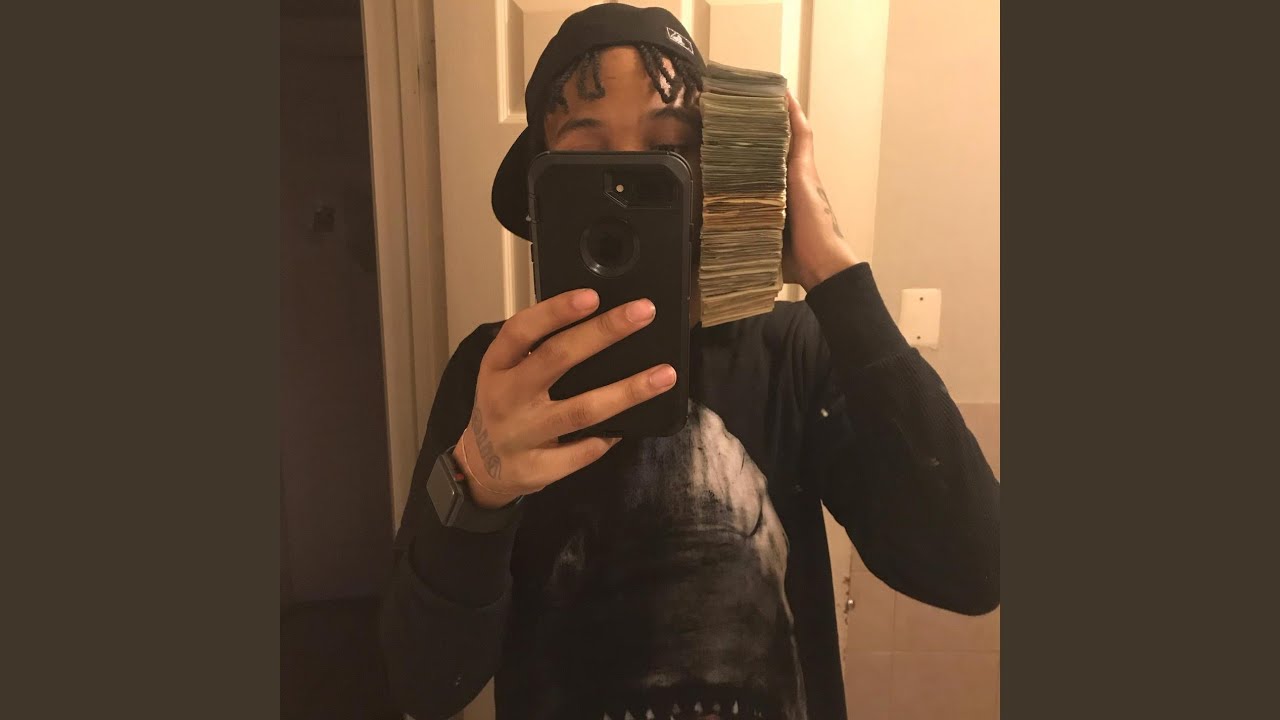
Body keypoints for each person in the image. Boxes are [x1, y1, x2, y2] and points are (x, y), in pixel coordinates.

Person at [380, 5, 1000, 720]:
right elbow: (424, 686)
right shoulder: (496, 374)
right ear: (539, 189)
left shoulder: (795, 350)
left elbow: (973, 569)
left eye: (672, 146)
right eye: (587, 154)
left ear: (710, 175)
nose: (628, 179)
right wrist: (477, 487)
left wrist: (832, 272)